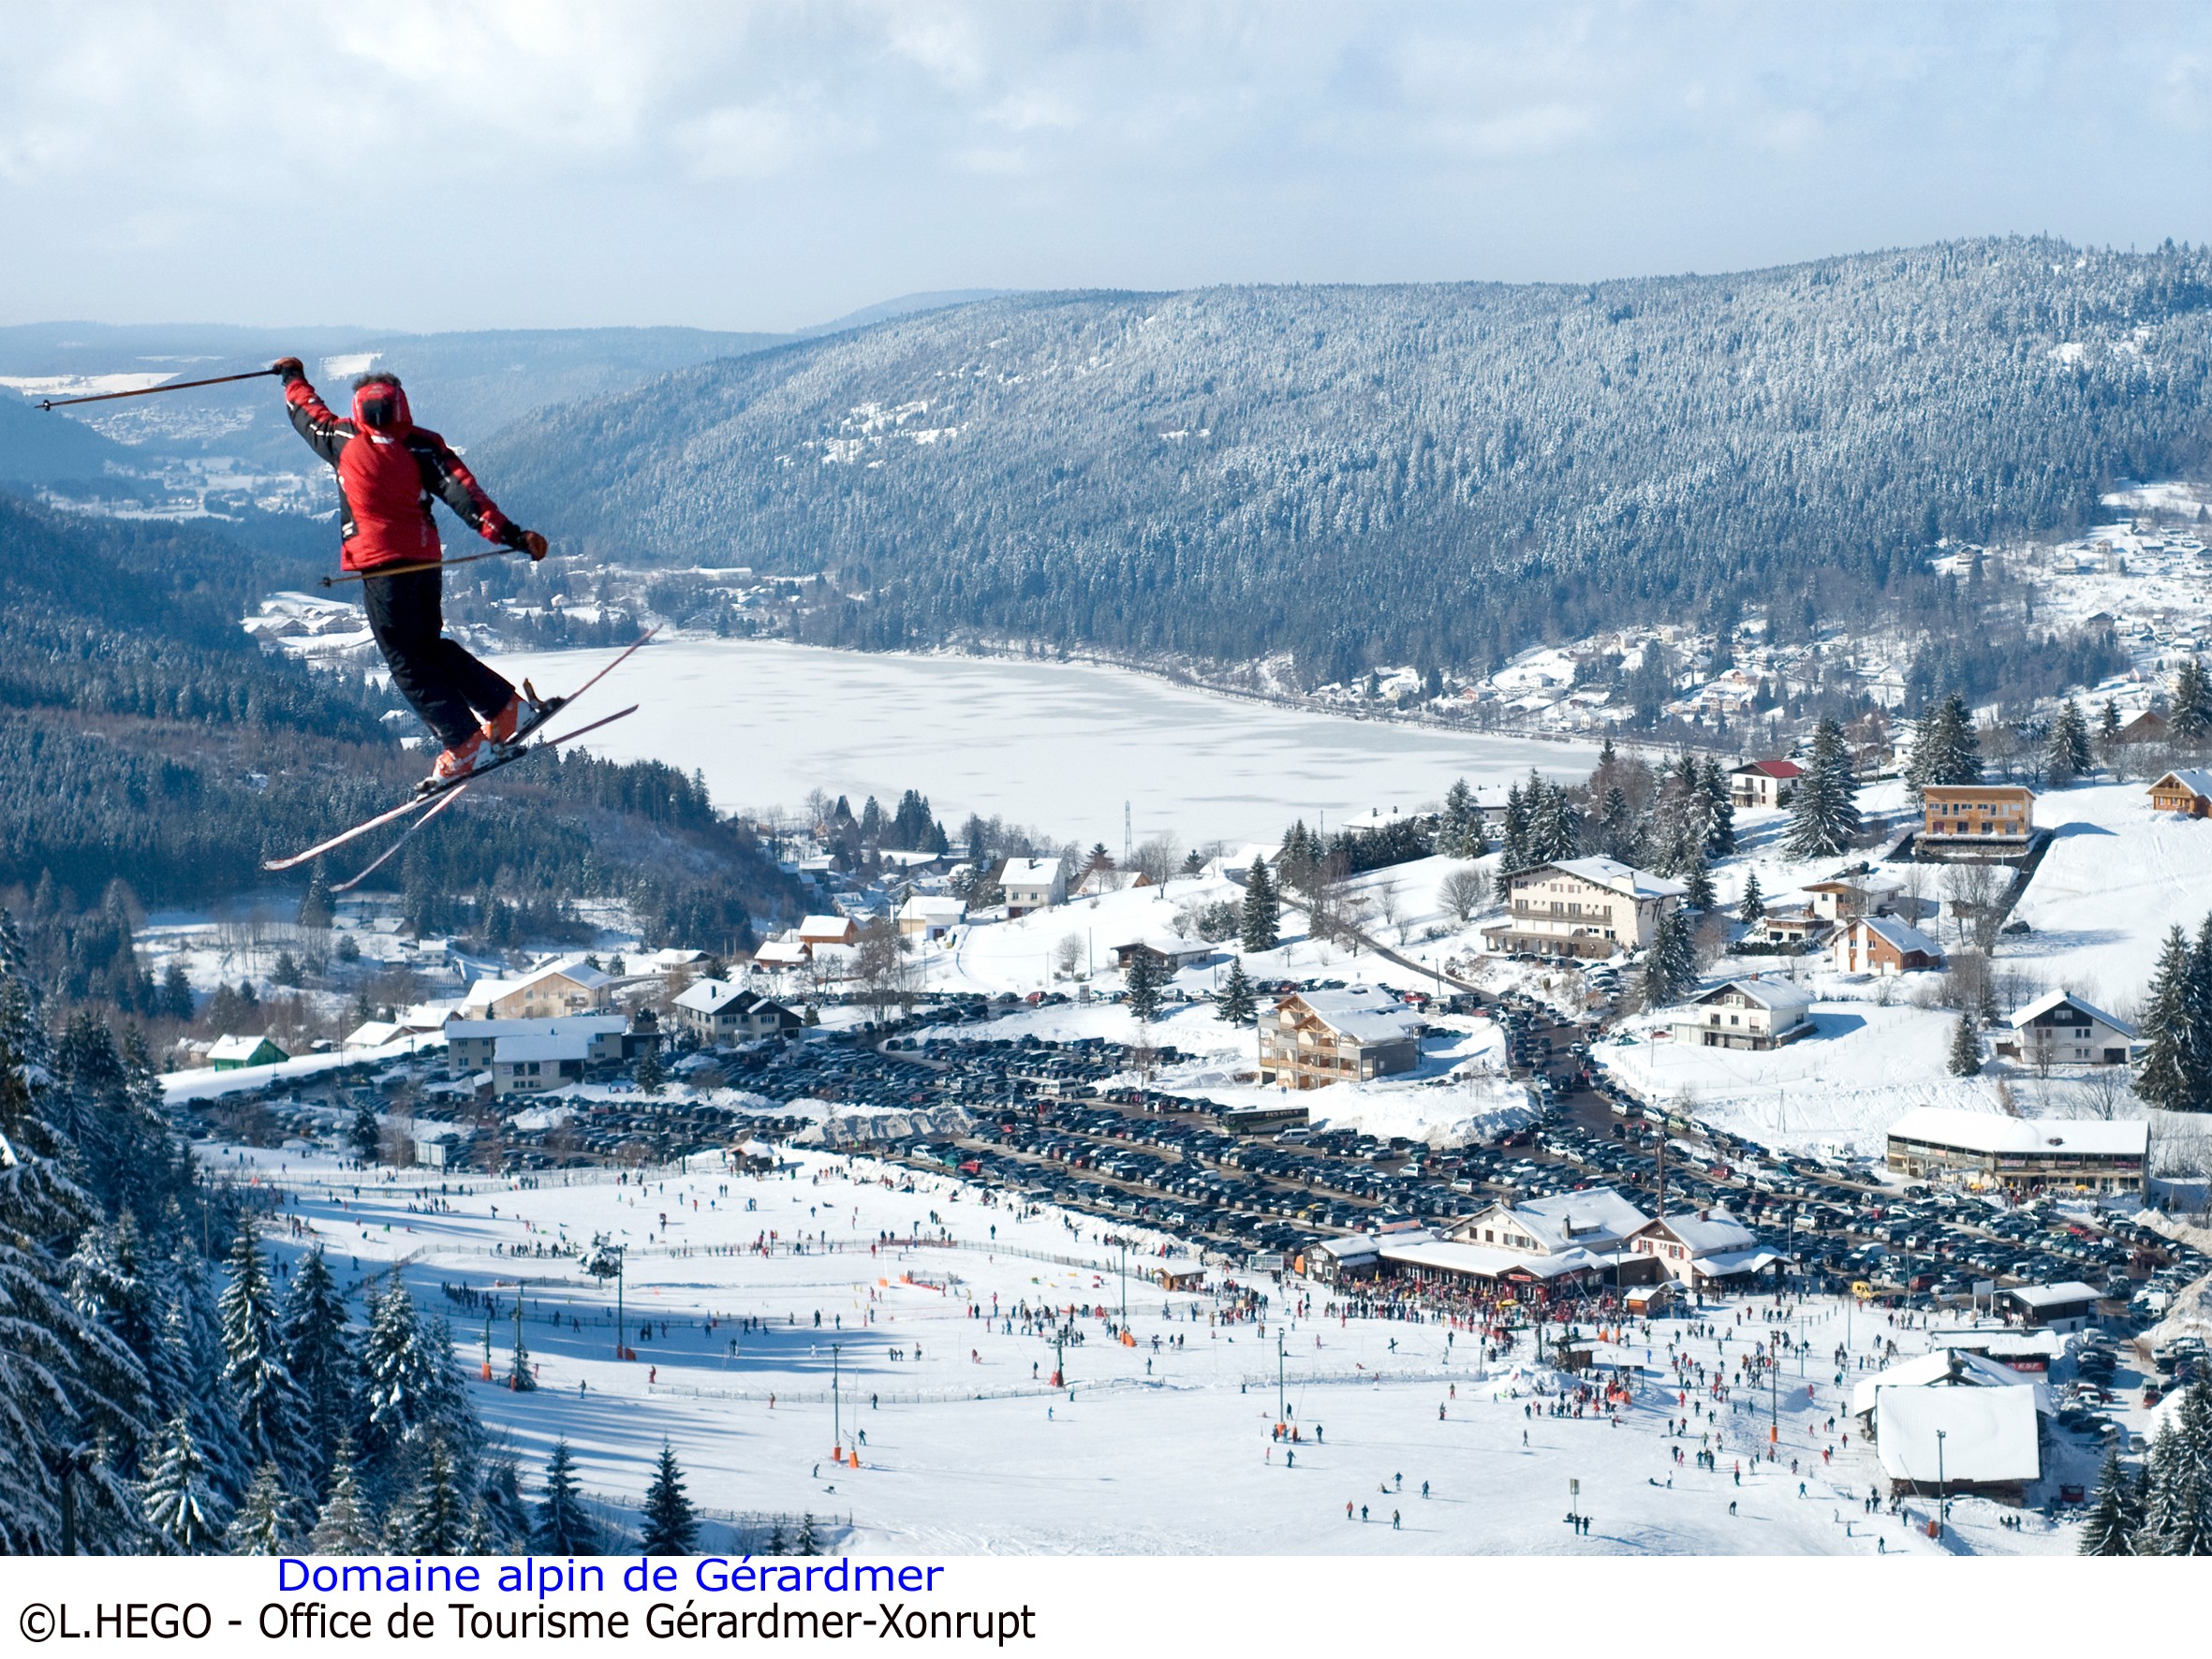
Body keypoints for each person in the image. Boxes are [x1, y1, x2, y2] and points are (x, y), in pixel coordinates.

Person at [271, 358, 552, 782]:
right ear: (401, 405)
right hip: (425, 564)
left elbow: (306, 413)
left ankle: (465, 745)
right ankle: (505, 710)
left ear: (358, 406)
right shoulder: (423, 445)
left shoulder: (342, 439)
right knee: (428, 648)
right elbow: (467, 498)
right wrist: (514, 536)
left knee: (407, 663)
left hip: (382, 571)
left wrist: (292, 376)